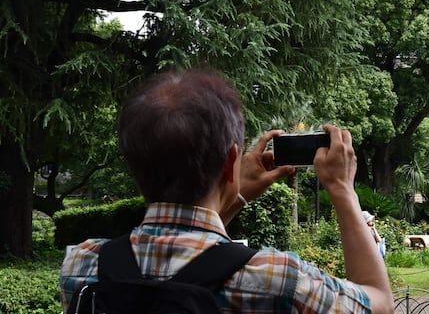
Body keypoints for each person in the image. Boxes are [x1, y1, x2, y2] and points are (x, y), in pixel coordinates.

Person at [60, 69, 394, 314]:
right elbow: (378, 303)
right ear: (231, 159)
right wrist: (342, 190)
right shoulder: (278, 279)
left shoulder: (83, 266)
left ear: (132, 163)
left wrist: (231, 197)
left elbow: (175, 272)